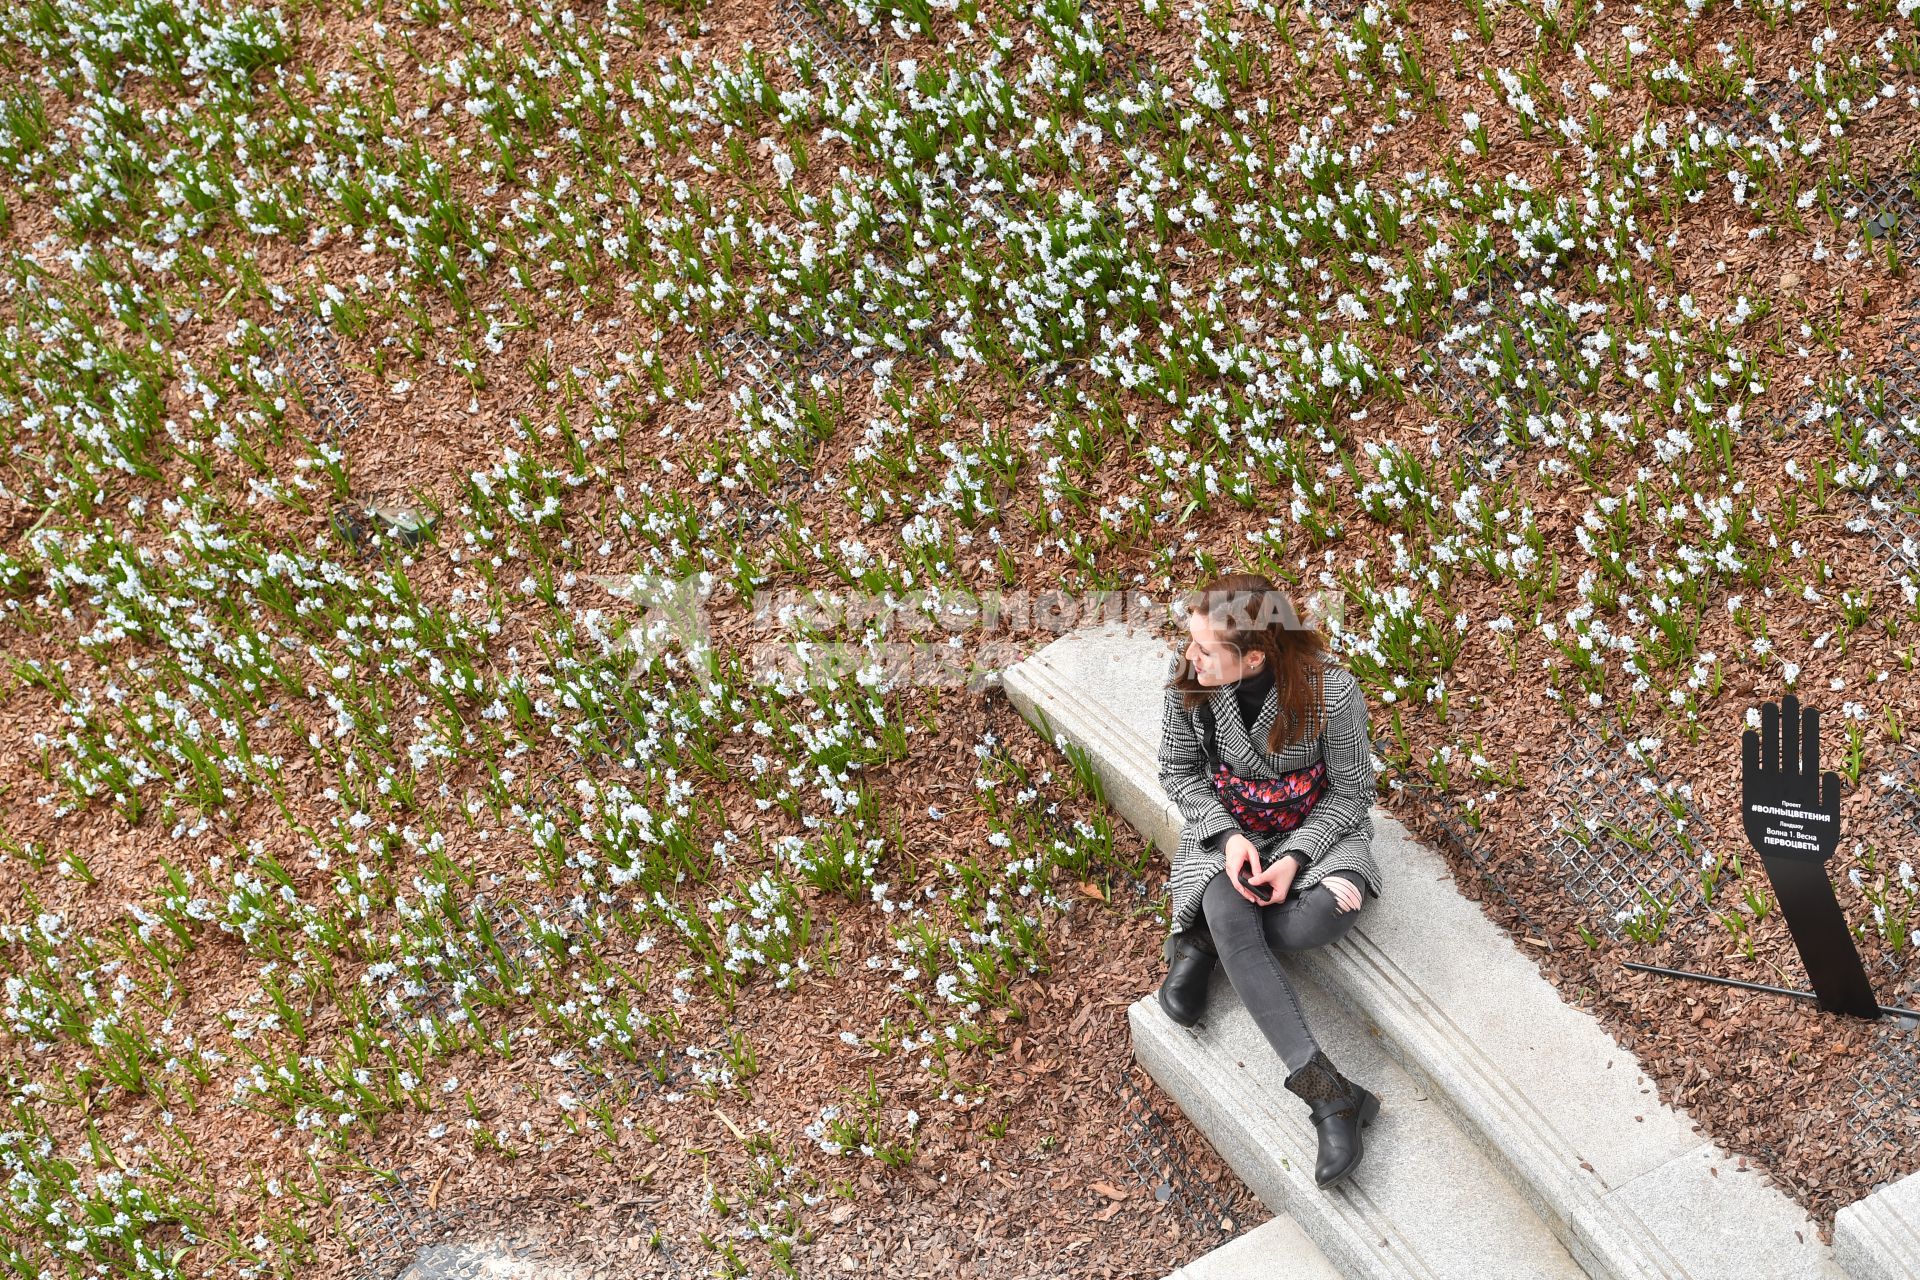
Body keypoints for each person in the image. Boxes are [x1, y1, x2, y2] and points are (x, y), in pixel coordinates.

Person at [1155, 572, 1385, 1189]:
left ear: (1254, 656)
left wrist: (1297, 859)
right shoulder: (1191, 687)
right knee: (1233, 905)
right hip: (1231, 833)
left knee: (1311, 921)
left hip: (1318, 833)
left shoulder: (1331, 694)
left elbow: (1353, 793)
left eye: (1206, 648)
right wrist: (1228, 839)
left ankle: (1206, 941)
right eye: (1191, 642)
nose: (1189, 656)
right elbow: (1179, 774)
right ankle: (1329, 1095)